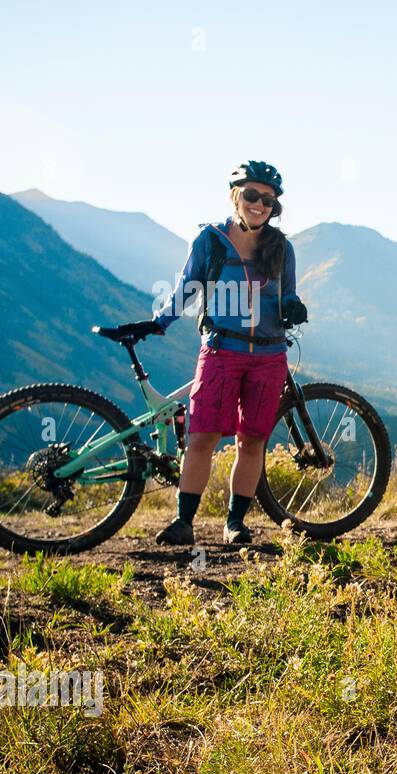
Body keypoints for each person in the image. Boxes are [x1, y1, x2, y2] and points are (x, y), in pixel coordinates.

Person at [119, 161, 307, 546]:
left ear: (275, 206)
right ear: (235, 196)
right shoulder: (209, 240)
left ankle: (234, 524)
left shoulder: (281, 248)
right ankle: (183, 522)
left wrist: (293, 304)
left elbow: (286, 292)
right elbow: (187, 290)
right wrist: (158, 323)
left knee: (251, 441)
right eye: (251, 195)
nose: (259, 204)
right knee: (202, 437)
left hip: (269, 356)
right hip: (221, 351)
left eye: (267, 199)